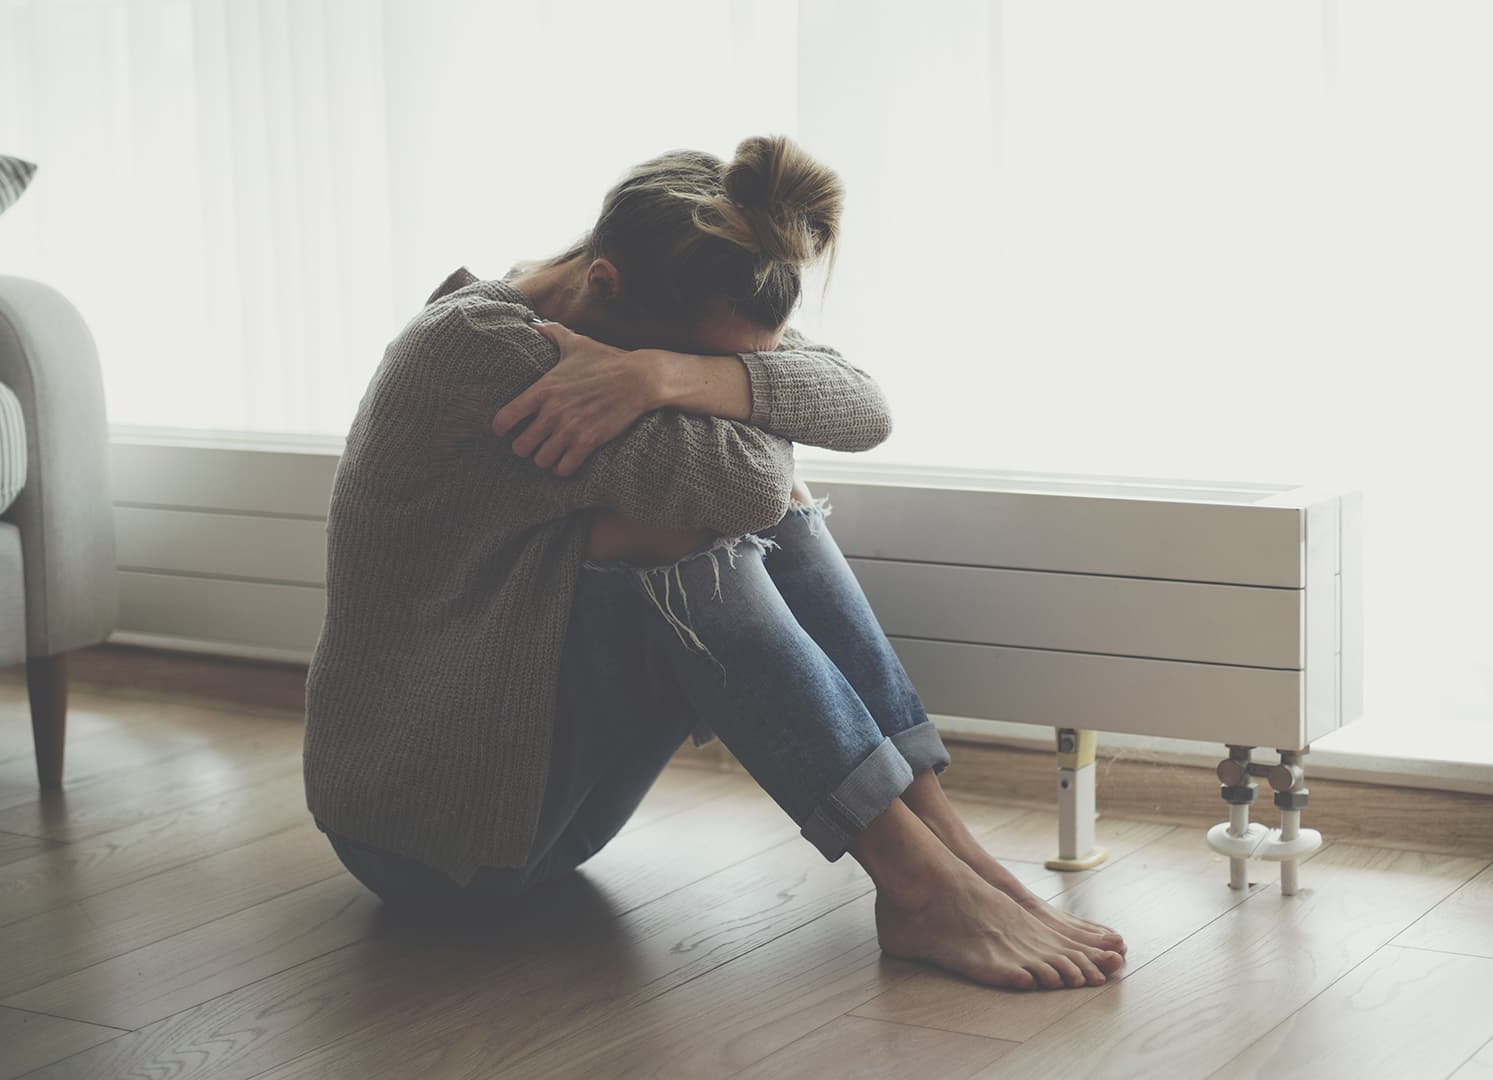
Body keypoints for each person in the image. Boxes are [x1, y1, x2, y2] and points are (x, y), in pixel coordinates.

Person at [303, 135, 1125, 991]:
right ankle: (919, 882)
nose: (704, 375)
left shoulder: (672, 292)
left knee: (770, 512)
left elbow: (864, 406)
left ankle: (949, 855)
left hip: (547, 815)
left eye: (725, 363)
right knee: (693, 529)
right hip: (430, 835)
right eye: (698, 358)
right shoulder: (491, 353)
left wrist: (670, 375)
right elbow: (750, 487)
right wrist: (713, 384)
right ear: (605, 284)